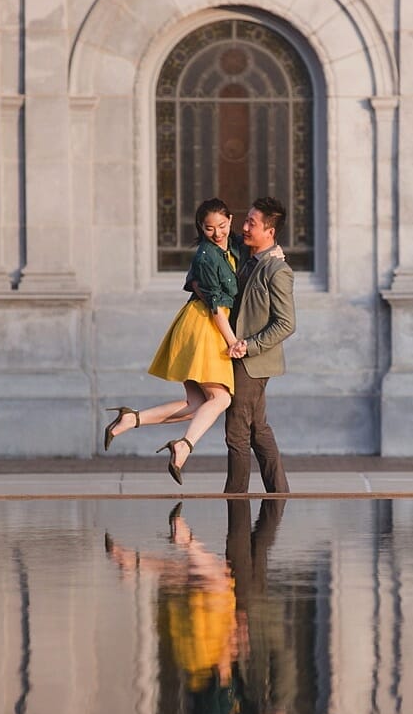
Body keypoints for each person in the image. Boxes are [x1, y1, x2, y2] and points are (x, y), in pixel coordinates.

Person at [103, 199, 242, 484]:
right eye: (209, 229)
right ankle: (184, 446)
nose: (217, 233)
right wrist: (232, 342)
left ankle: (131, 419)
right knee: (222, 398)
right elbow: (214, 305)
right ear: (200, 228)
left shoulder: (232, 245)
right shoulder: (206, 255)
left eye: (222, 226)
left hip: (206, 323)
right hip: (205, 324)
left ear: (231, 219)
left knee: (196, 404)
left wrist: (276, 252)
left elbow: (254, 250)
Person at [224, 197, 295, 494]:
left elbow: (286, 323)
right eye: (245, 220)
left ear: (270, 231)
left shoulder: (276, 270)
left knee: (237, 433)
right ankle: (279, 495)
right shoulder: (246, 257)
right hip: (240, 358)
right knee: (257, 430)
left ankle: (235, 501)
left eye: (252, 223)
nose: (245, 227)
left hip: (252, 362)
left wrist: (248, 346)